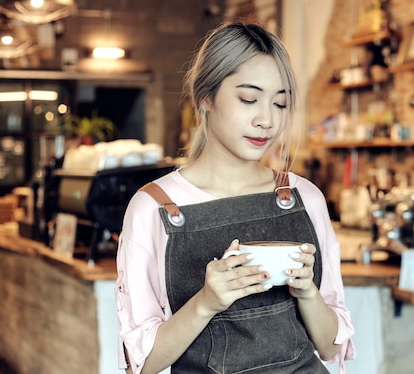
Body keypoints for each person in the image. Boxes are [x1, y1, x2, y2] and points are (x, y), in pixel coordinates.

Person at [115, 21, 355, 374]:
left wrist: (307, 293)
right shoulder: (153, 207)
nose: (267, 120)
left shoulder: (306, 197)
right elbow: (144, 363)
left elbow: (331, 346)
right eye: (248, 99)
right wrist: (206, 302)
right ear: (205, 97)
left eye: (281, 103)